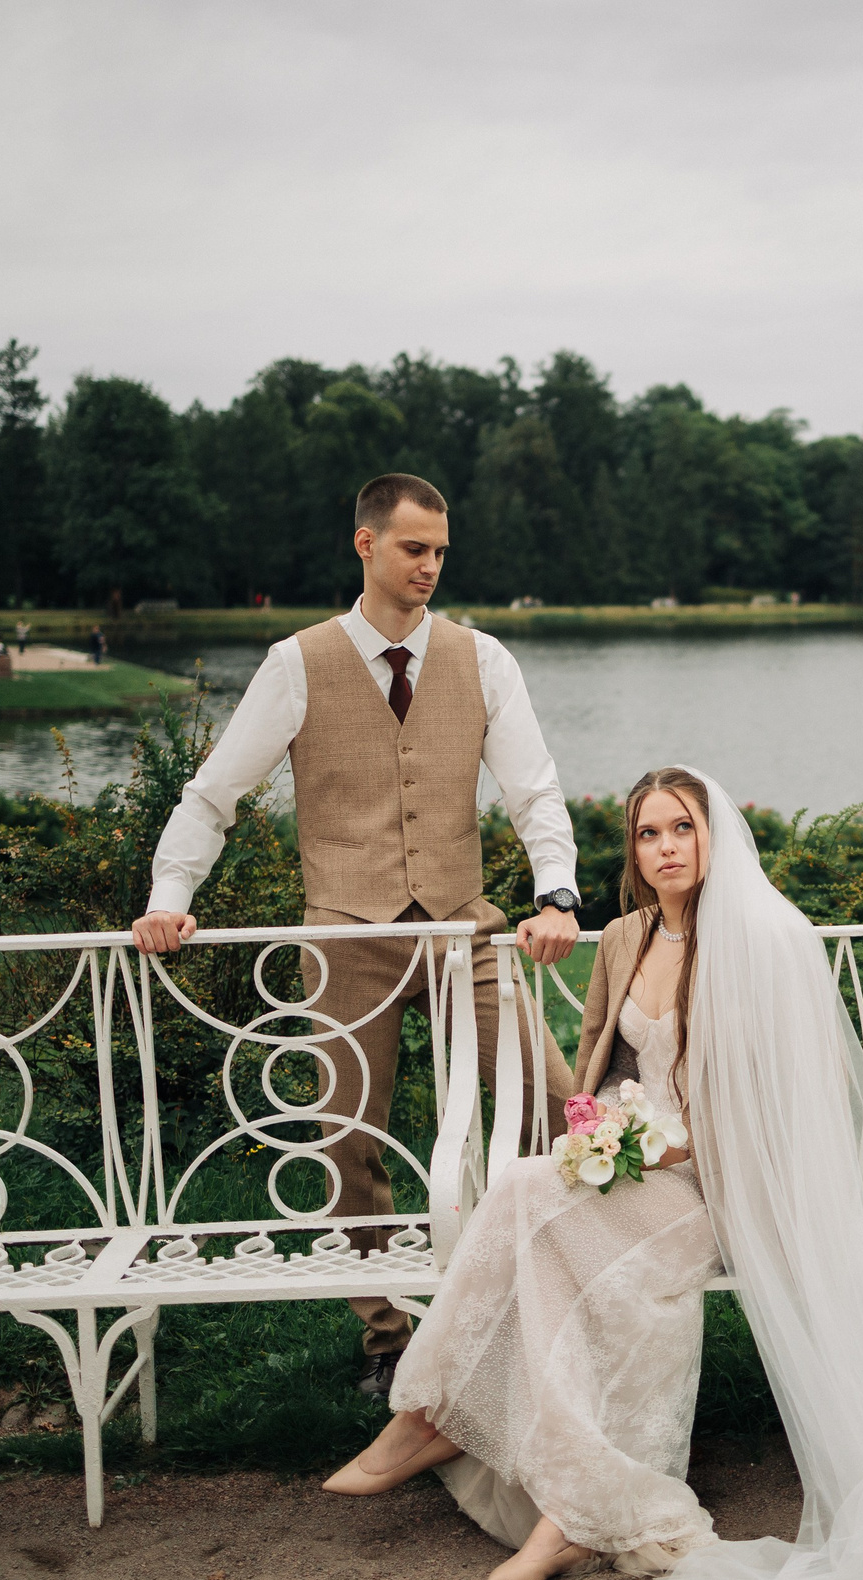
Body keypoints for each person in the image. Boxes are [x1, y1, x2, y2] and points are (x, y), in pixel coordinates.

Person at [323, 767, 863, 1580]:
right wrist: (592, 1134)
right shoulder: (626, 938)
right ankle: (570, 1513)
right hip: (632, 1171)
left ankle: (440, 1416)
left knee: (527, 1198)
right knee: (544, 1230)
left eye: (681, 829)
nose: (664, 848)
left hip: (720, 1188)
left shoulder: (762, 942)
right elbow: (600, 1068)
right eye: (647, 833)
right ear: (632, 850)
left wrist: (658, 1143)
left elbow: (776, 1107)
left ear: (713, 837)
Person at [132, 472, 581, 1396]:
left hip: (465, 931)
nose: (431, 567)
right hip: (347, 939)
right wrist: (170, 893)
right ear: (366, 545)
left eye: (442, 552)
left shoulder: (483, 659)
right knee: (350, 1139)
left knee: (556, 1098)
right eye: (415, 549)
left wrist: (559, 894)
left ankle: (538, 1293)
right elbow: (214, 795)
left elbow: (532, 790)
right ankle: (385, 1335)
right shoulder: (297, 663)